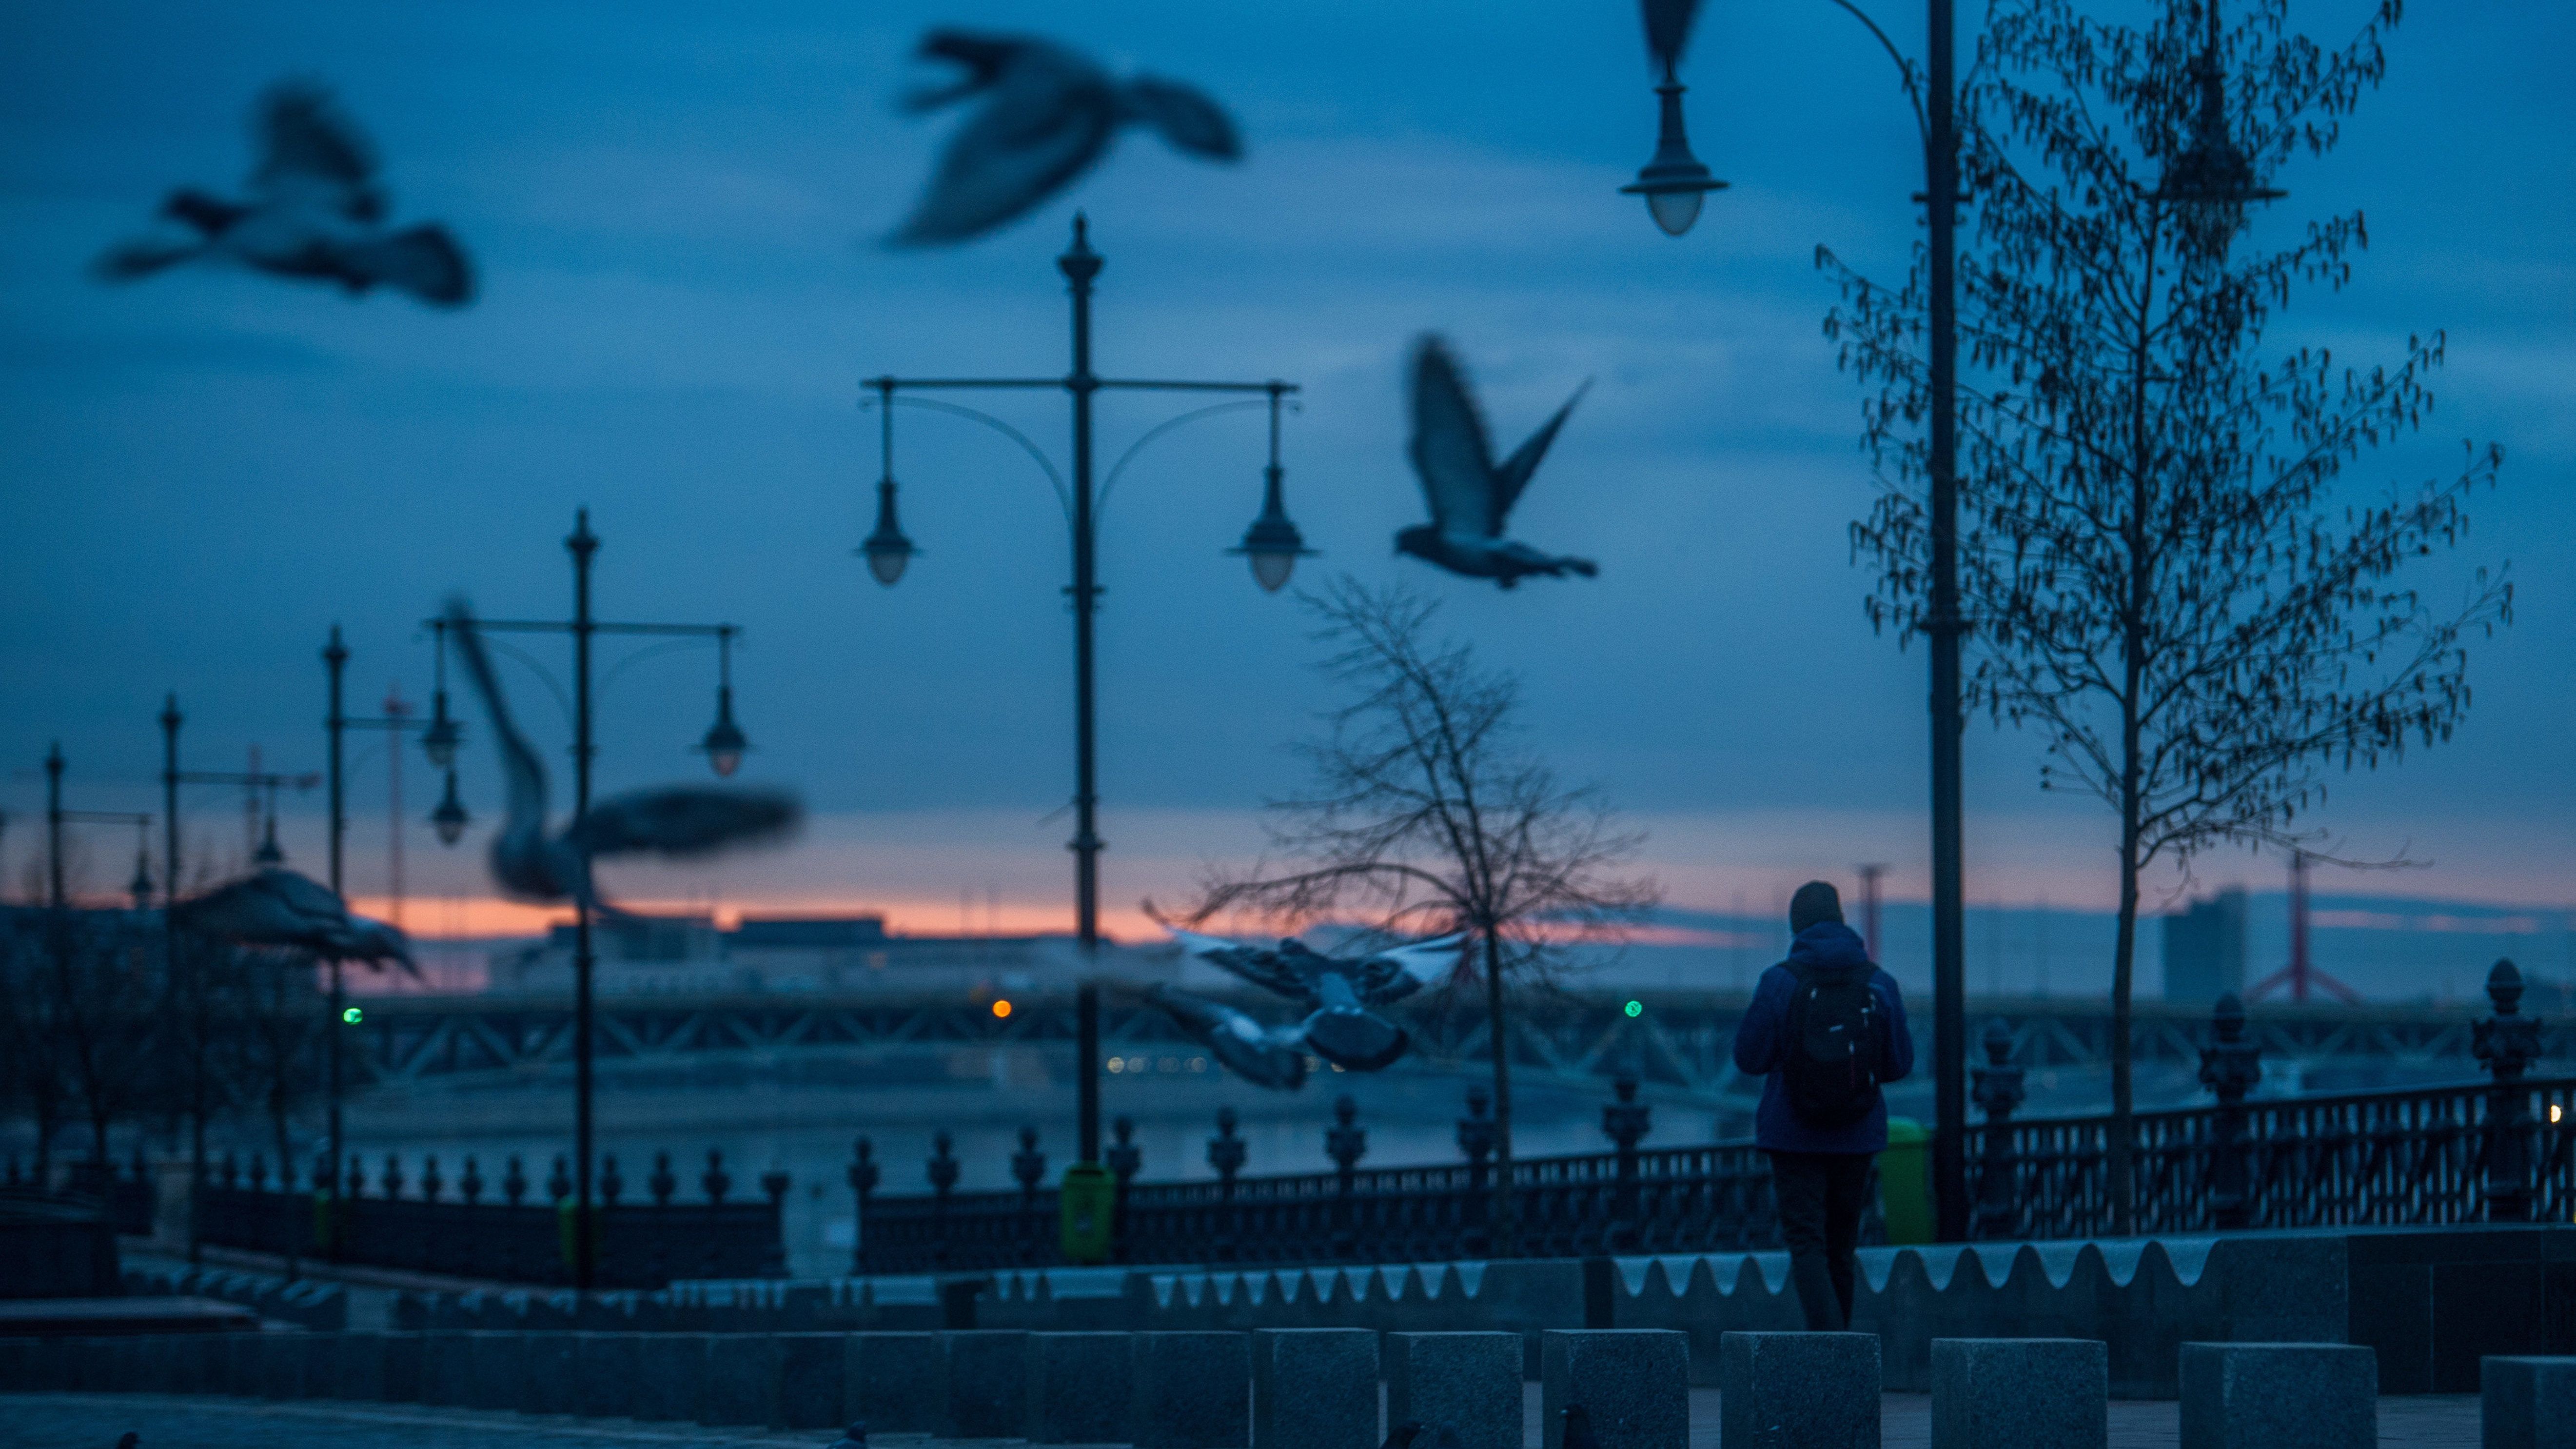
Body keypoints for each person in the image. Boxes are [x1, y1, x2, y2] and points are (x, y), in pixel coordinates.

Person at [1730, 879, 1912, 1330]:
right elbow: (1899, 1064)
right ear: (1841, 920)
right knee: (1841, 1247)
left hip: (1793, 1134)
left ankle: (1830, 1354)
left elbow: (1748, 1059)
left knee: (1806, 1242)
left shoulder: (1778, 981)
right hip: (1856, 1133)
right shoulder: (1880, 983)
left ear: (1796, 926)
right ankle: (1842, 1354)